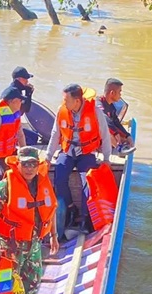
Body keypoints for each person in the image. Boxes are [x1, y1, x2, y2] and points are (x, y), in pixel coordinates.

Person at [0, 145, 58, 294]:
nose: (29, 168)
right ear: (18, 164)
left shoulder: (42, 182)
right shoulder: (4, 187)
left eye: (33, 164)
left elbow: (50, 210)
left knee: (33, 279)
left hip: (33, 242)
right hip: (11, 244)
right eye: (25, 164)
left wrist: (54, 236)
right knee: (8, 281)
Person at [45, 84, 112, 236]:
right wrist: (48, 157)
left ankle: (84, 217)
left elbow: (105, 134)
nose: (63, 102)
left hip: (86, 152)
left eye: (66, 99)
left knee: (86, 183)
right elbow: (56, 134)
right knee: (59, 176)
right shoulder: (62, 110)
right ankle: (69, 208)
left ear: (76, 101)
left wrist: (106, 159)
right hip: (68, 151)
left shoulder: (94, 112)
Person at [98, 78, 133, 153]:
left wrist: (127, 135)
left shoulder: (111, 106)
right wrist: (115, 133)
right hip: (91, 137)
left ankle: (119, 144)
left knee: (125, 138)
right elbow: (103, 117)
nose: (120, 95)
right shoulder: (98, 104)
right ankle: (118, 148)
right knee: (106, 129)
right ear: (112, 93)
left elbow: (116, 122)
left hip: (101, 137)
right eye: (119, 92)